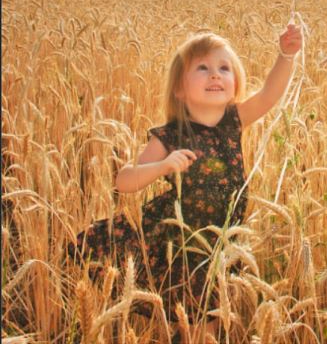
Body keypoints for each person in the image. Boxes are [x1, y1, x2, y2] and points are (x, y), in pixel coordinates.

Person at [68, 23, 303, 341]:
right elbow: (124, 180)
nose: (215, 75)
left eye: (224, 68)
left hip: (221, 245)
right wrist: (163, 164)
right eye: (203, 68)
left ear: (235, 83)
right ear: (179, 88)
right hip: (183, 248)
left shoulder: (234, 121)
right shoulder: (171, 136)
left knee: (213, 320)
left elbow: (269, 95)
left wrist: (286, 55)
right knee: (196, 325)